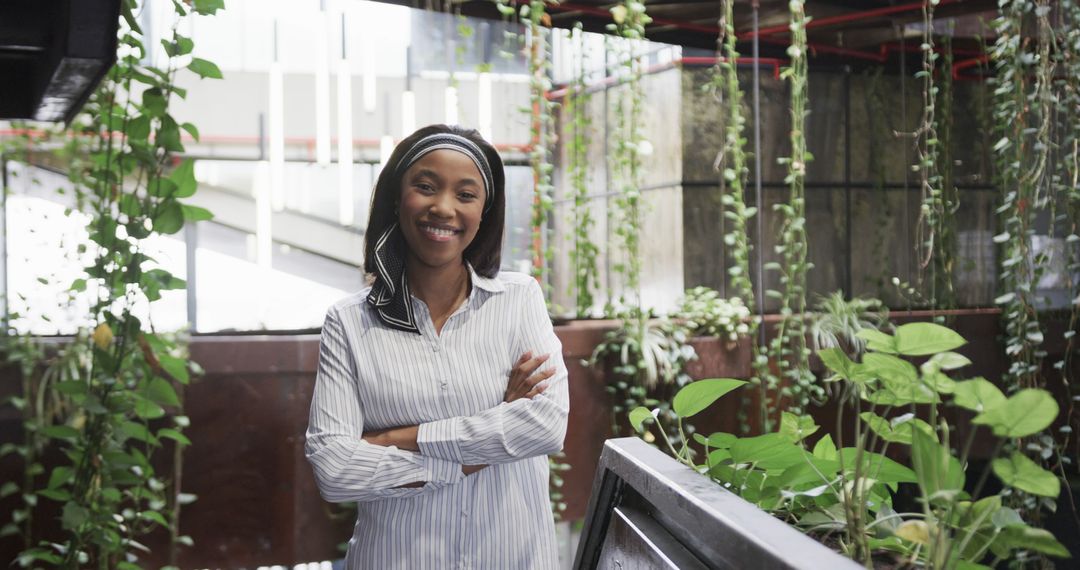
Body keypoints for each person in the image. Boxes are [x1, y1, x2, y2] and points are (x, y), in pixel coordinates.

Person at [305, 124, 569, 569]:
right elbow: (334, 469)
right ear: (397, 197)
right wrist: (473, 453)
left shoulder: (519, 299)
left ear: (484, 211)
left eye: (465, 195)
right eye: (425, 187)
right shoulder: (349, 323)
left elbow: (545, 426)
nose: (443, 208)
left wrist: (397, 439)